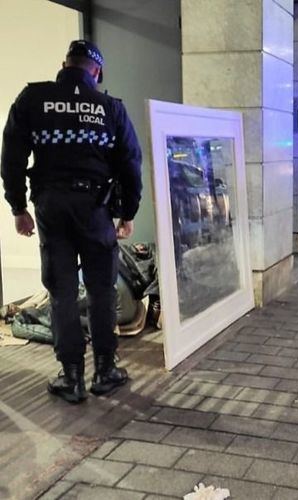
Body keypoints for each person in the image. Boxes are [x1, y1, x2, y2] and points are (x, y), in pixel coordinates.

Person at [1, 40, 142, 404]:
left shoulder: (32, 99)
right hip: (95, 209)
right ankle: (106, 371)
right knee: (101, 290)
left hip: (51, 207)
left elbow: (11, 157)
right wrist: (127, 214)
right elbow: (131, 165)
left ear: (65, 63)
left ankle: (73, 377)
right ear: (97, 71)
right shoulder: (110, 107)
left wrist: (18, 208)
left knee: (62, 292)